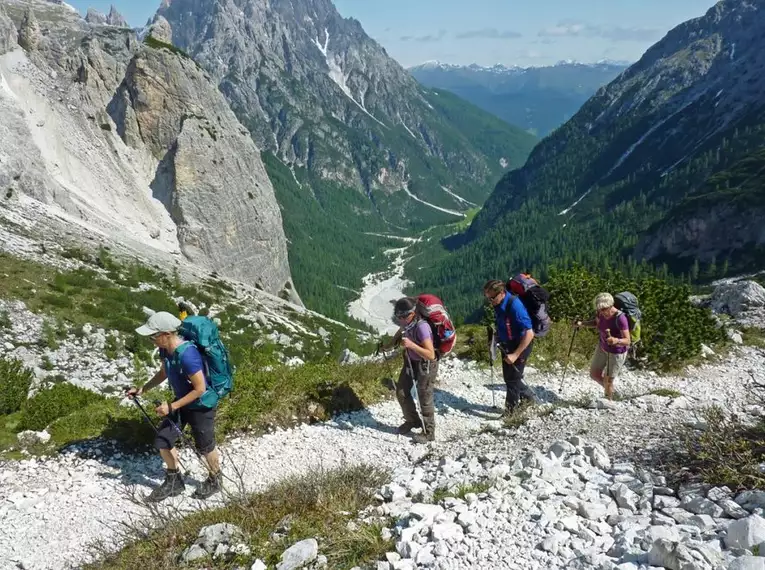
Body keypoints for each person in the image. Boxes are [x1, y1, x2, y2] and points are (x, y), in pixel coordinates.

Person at [126, 311, 222, 502]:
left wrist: (172, 406)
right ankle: (174, 481)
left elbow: (200, 389)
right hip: (180, 401)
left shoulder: (188, 355)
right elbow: (164, 373)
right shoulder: (165, 350)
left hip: (201, 404)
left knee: (205, 446)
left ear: (166, 334)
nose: (151, 340)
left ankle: (215, 479)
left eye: (154, 336)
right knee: (163, 440)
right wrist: (142, 389)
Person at [381, 297, 438, 444]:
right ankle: (413, 421)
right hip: (410, 361)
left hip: (425, 364)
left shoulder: (422, 327)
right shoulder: (407, 324)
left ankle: (429, 432)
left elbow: (431, 354)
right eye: (398, 316)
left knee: (424, 397)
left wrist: (411, 345)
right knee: (401, 391)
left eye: (403, 316)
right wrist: (387, 346)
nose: (400, 319)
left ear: (412, 313)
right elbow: (400, 333)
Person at [484, 280, 538, 415]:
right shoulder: (499, 303)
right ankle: (528, 397)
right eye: (487, 297)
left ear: (501, 293)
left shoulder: (515, 306)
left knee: (512, 379)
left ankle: (511, 413)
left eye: (492, 297)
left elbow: (529, 333)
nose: (490, 301)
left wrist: (515, 354)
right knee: (509, 377)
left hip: (520, 345)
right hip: (507, 343)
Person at [575, 292, 631, 400]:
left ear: (611, 305)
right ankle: (611, 391)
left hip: (616, 352)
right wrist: (582, 324)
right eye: (599, 309)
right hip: (602, 347)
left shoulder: (620, 318)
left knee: (608, 379)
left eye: (604, 309)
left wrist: (616, 340)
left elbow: (627, 341)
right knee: (594, 374)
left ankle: (608, 401)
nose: (601, 312)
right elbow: (597, 323)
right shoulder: (600, 312)